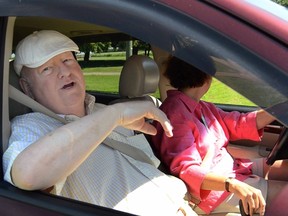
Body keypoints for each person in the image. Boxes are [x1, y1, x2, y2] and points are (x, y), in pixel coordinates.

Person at [2, 30, 196, 216]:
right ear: (27, 88)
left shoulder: (103, 110)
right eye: (46, 69)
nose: (64, 72)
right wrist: (115, 116)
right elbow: (26, 175)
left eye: (67, 60)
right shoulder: (32, 125)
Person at [151, 55, 288, 216]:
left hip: (232, 169)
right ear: (205, 78)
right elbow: (188, 170)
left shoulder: (202, 107)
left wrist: (280, 108)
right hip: (214, 190)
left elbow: (239, 123)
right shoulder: (175, 114)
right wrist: (233, 185)